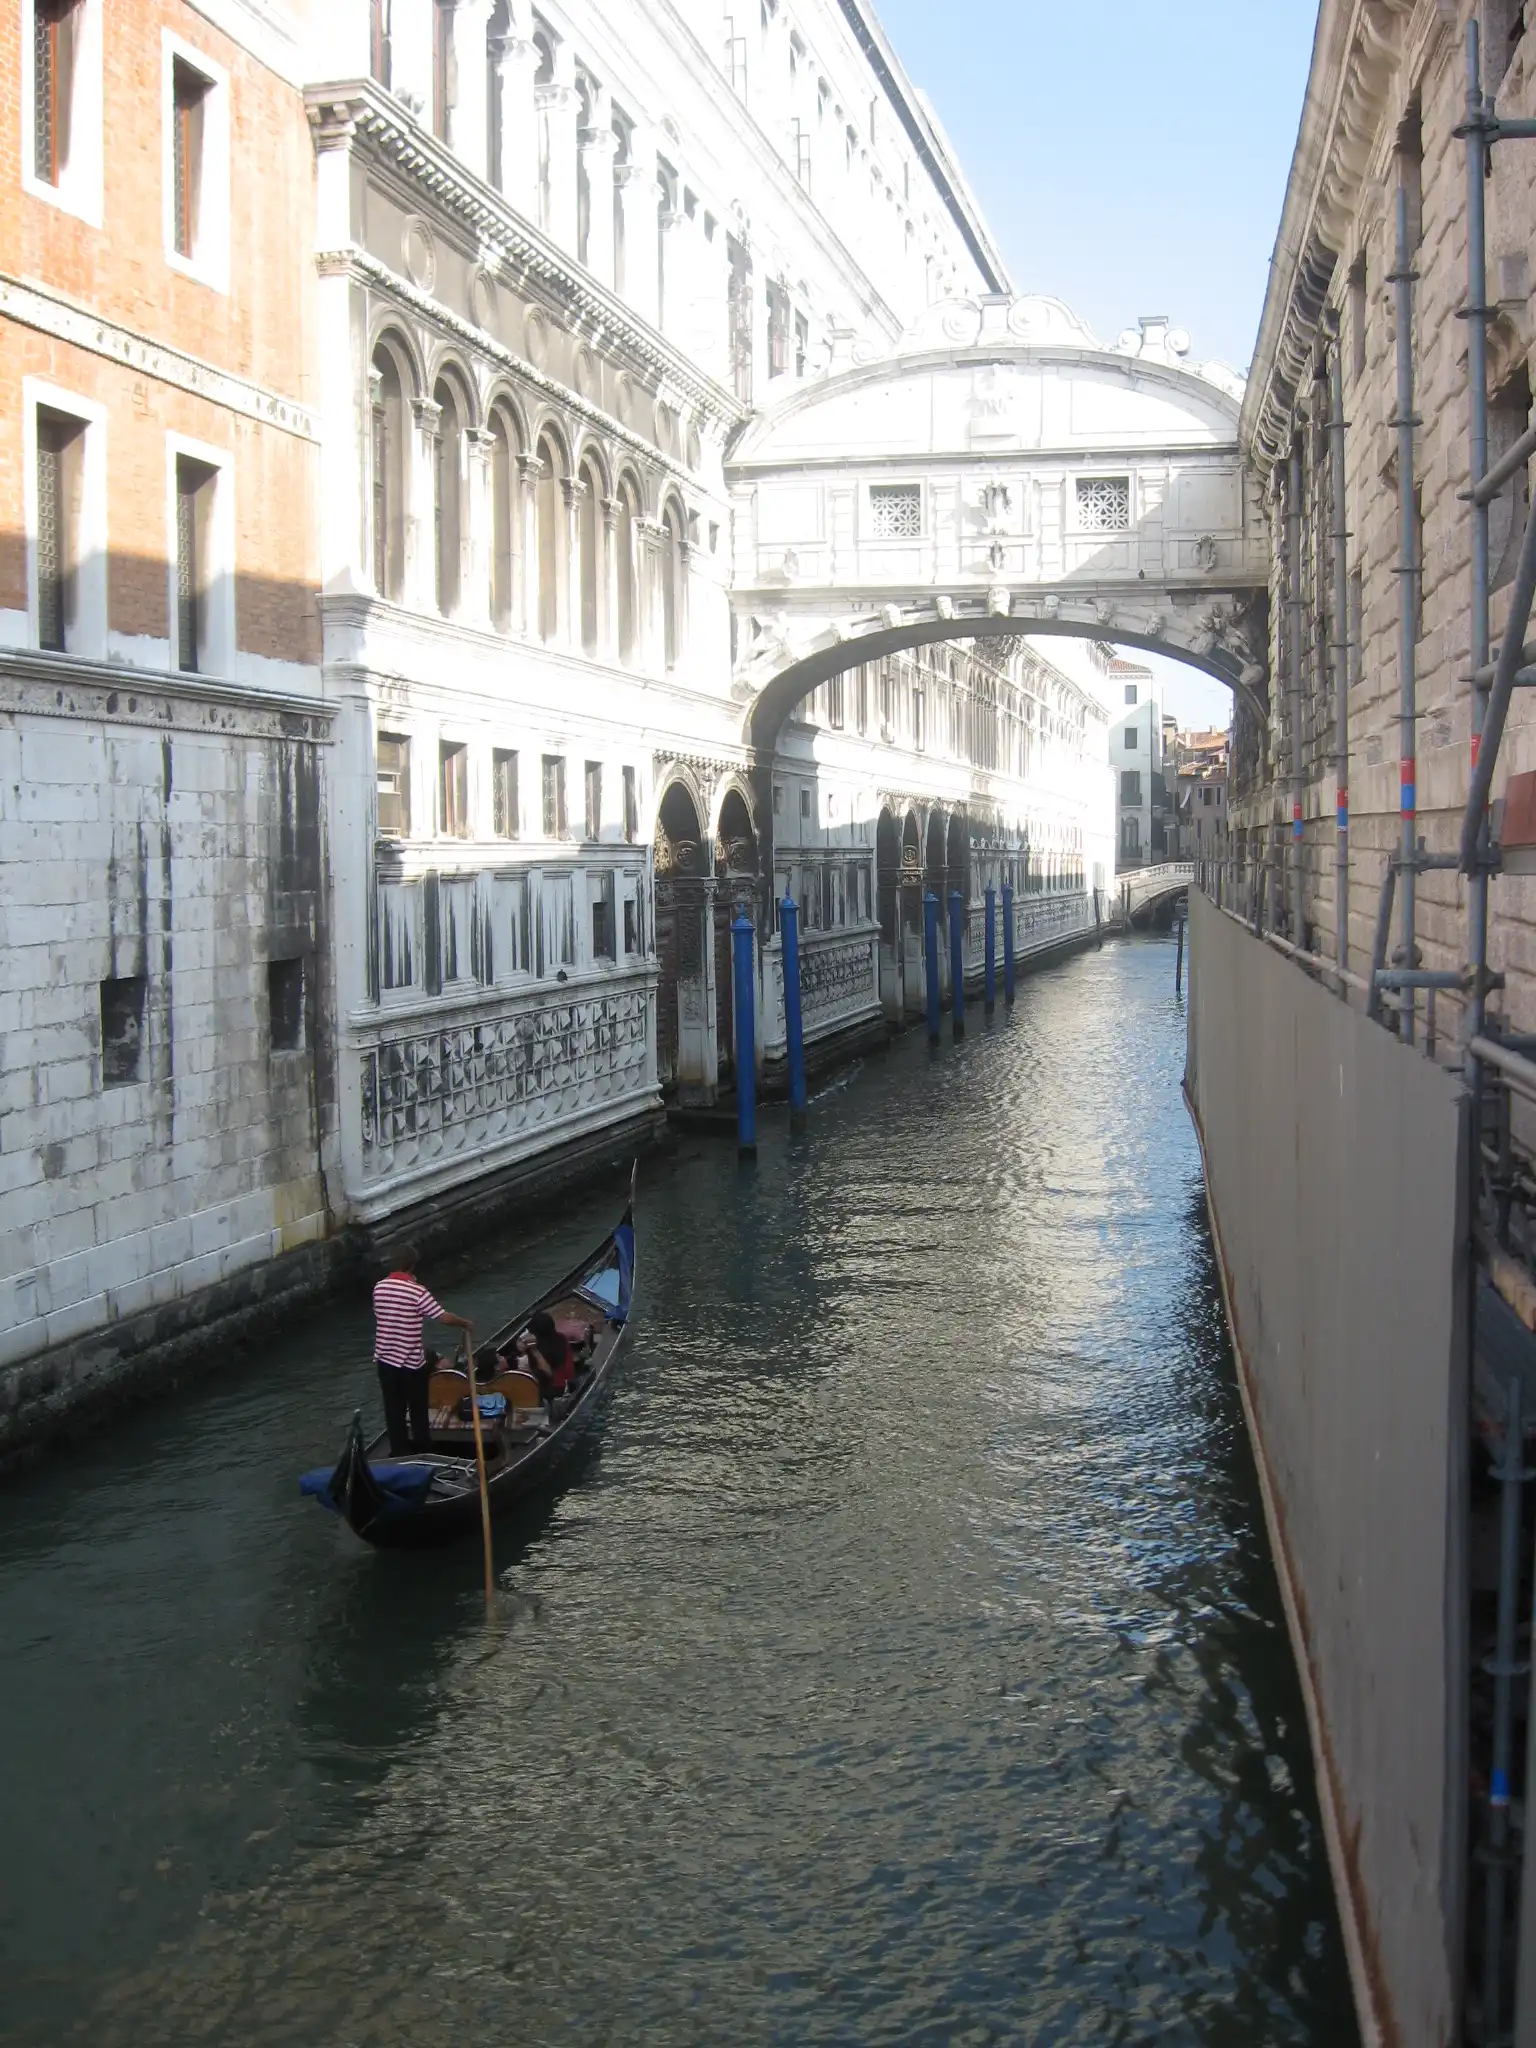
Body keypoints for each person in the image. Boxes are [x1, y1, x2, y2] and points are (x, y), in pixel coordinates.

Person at [372, 1247, 472, 1455]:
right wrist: (465, 1323)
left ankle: (399, 1453)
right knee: (418, 1411)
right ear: (412, 1266)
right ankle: (423, 1453)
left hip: (385, 1361)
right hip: (410, 1363)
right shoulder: (417, 1291)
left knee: (394, 1411)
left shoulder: (379, 1288)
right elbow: (442, 1317)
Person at [516, 1311, 575, 1398]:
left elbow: (549, 1374)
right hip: (558, 1381)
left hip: (557, 1386)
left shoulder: (544, 1348)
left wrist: (534, 1350)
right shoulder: (560, 1337)